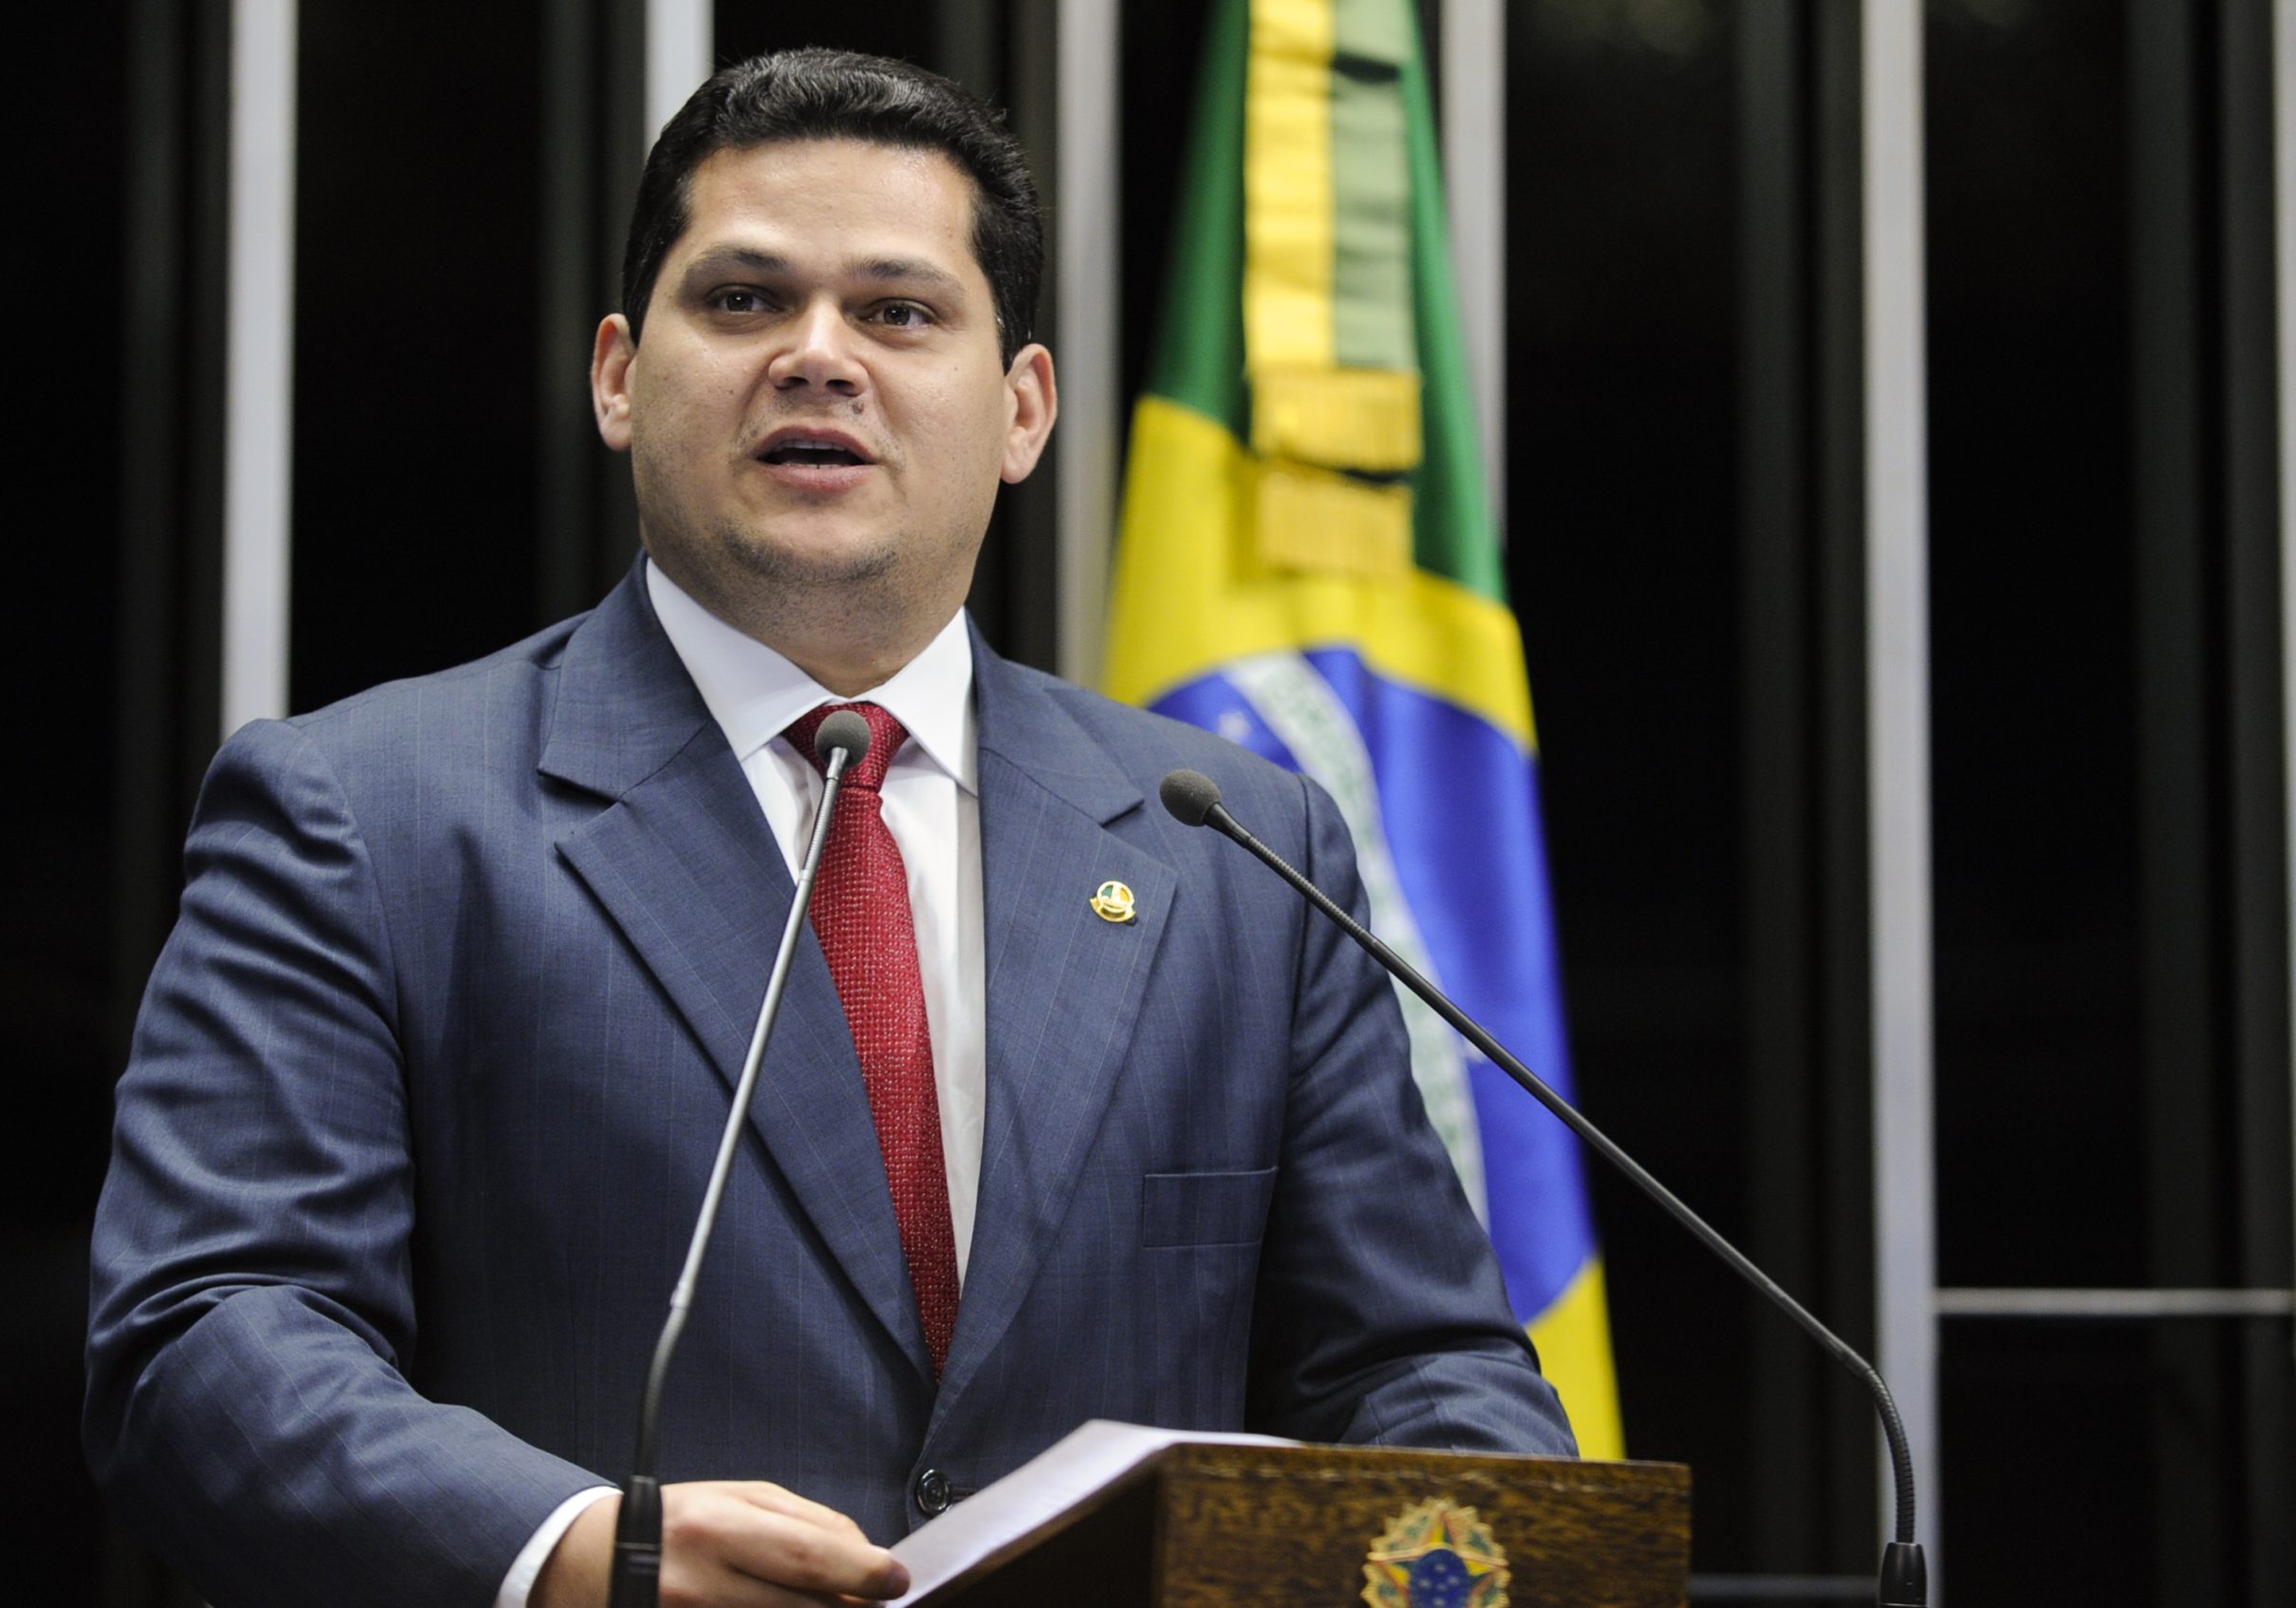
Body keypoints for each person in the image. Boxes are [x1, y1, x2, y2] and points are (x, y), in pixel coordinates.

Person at [84, 47, 1575, 1608]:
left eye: (899, 312)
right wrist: (577, 1548)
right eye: (743, 301)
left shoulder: (1235, 850)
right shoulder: (367, 812)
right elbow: (205, 1336)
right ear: (617, 376)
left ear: (1022, 409)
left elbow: (1415, 1367)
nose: (817, 356)